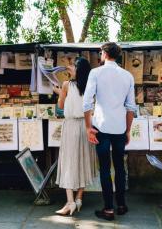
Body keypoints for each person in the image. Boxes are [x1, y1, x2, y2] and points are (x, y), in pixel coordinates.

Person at [83, 42, 137, 221]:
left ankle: (108, 209)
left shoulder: (95, 73)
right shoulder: (127, 76)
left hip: (102, 127)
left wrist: (88, 127)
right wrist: (128, 131)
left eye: (100, 52)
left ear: (104, 54)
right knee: (120, 167)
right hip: (120, 127)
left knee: (105, 168)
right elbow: (130, 107)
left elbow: (87, 102)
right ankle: (121, 205)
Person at [53, 57, 97, 216]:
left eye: (72, 66)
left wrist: (59, 93)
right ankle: (79, 199)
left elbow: (61, 106)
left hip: (71, 126)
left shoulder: (66, 85)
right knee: (83, 162)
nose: (69, 67)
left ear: (78, 69)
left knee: (69, 163)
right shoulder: (90, 87)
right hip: (86, 126)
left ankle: (70, 202)